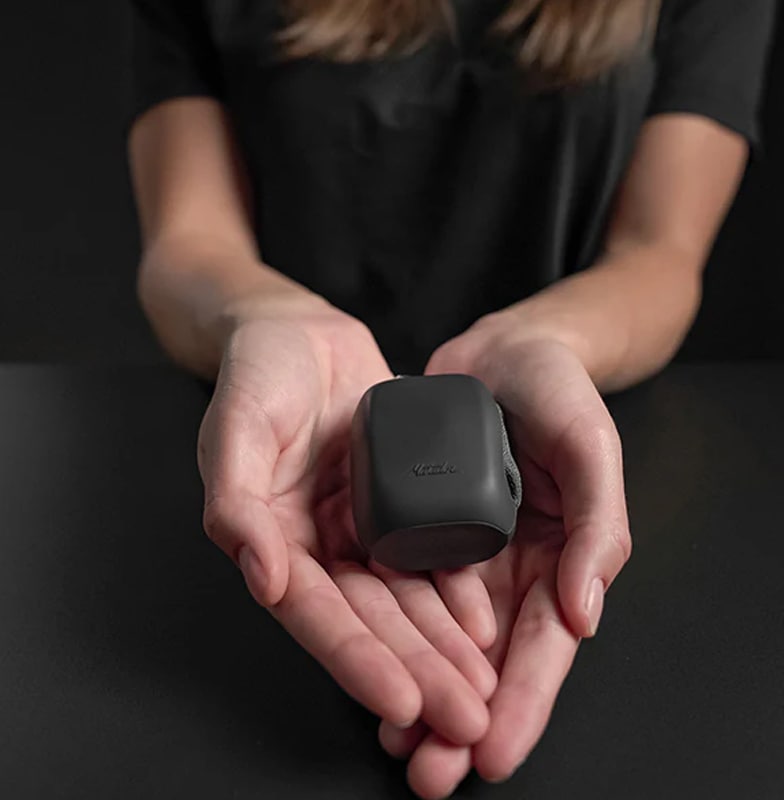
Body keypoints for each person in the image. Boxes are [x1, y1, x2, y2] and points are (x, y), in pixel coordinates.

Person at [127, 1, 775, 797]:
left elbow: (661, 253)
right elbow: (187, 242)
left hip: (546, 442)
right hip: (294, 449)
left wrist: (546, 340)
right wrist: (268, 316)